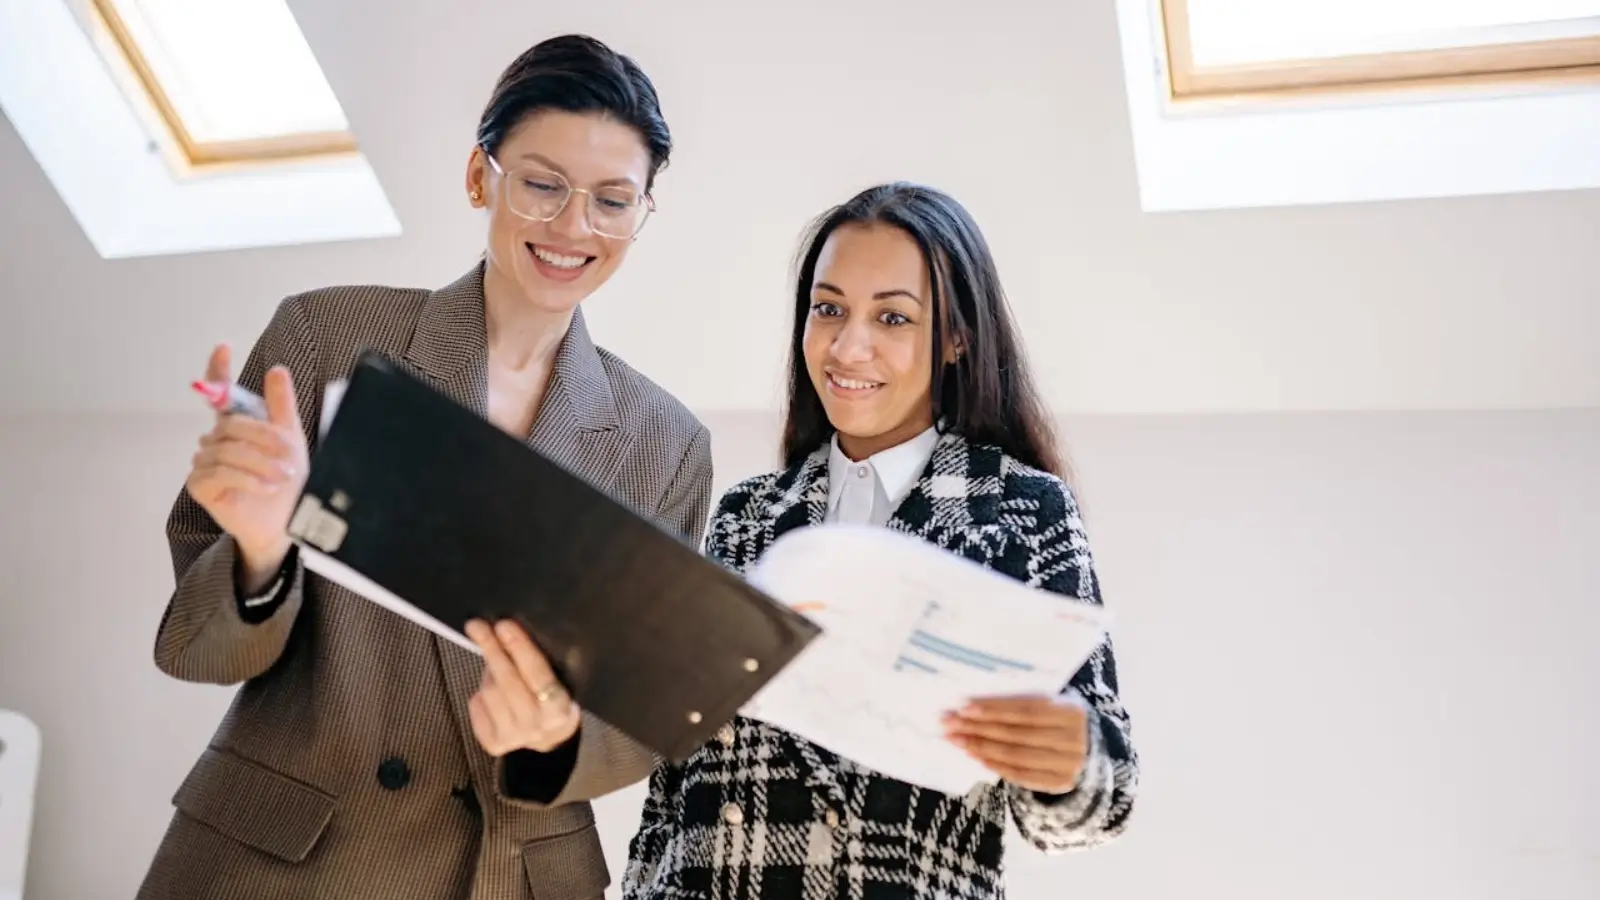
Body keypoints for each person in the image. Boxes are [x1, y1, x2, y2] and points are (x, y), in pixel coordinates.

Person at [138, 35, 712, 900]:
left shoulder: (665, 442)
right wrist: (261, 552)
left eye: (612, 200)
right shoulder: (325, 340)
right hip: (281, 862)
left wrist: (556, 732)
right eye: (543, 184)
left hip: (505, 874)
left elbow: (641, 704)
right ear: (481, 177)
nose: (572, 227)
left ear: (644, 214)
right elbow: (197, 645)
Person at [622, 183, 1138, 900]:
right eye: (827, 308)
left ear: (956, 338)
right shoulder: (745, 515)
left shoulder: (1021, 508)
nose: (846, 345)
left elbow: (1105, 797)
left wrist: (1070, 762)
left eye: (893, 317)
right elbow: (676, 782)